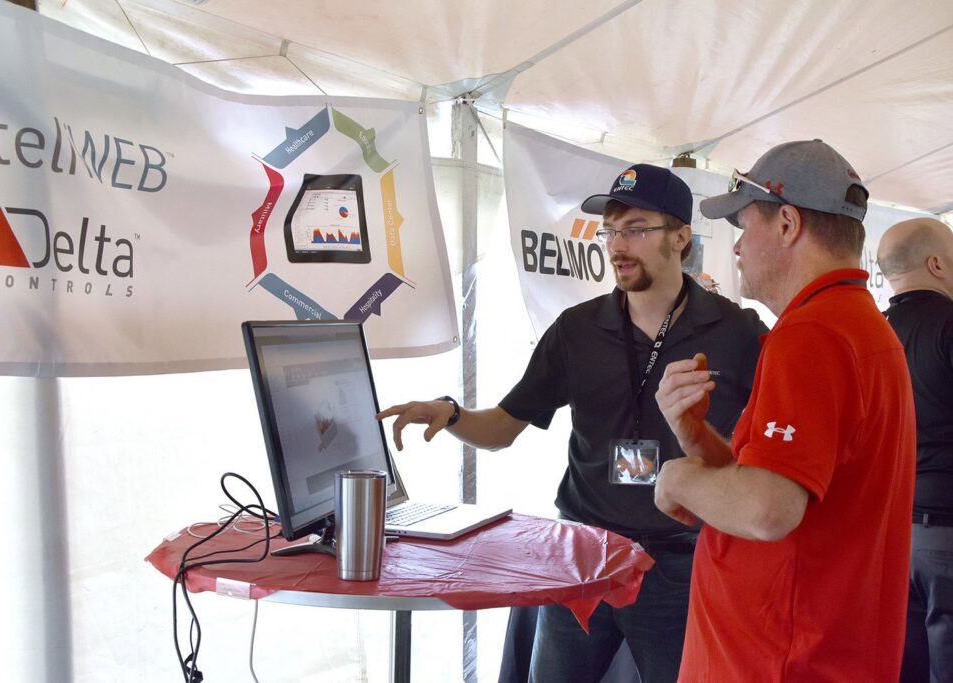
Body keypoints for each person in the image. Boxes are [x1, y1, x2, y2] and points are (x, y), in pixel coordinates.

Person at [377, 163, 766, 683]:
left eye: (636, 229)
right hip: (585, 553)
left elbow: (767, 450)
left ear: (681, 237)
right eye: (610, 230)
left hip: (683, 563)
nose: (617, 245)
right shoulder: (578, 329)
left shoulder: (737, 331)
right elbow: (504, 426)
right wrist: (450, 414)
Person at [654, 139, 916, 681]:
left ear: (788, 224)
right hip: (821, 650)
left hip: (780, 659)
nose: (736, 247)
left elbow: (768, 510)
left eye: (744, 227)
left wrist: (677, 478)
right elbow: (789, 485)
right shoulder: (860, 324)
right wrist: (696, 437)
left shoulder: (812, 333)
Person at [877, 217, 953, 683]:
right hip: (946, 529)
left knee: (901, 664)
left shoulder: (868, 333)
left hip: (886, 535)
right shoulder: (948, 325)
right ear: (936, 263)